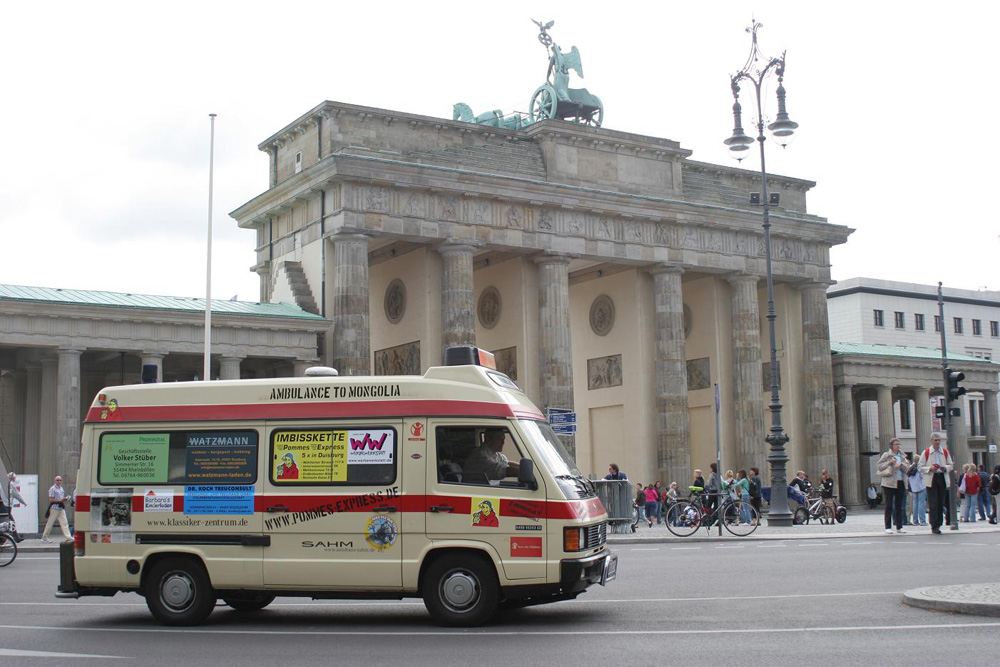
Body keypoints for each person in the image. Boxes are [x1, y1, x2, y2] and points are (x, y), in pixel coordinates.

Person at [918, 433, 953, 534]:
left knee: (940, 503)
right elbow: (920, 467)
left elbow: (950, 465)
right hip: (931, 478)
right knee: (933, 503)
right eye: (935, 440)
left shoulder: (945, 452)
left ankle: (939, 523)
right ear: (931, 441)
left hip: (942, 477)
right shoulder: (927, 452)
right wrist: (930, 468)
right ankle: (934, 525)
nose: (937, 442)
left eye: (939, 440)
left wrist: (945, 468)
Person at [877, 438, 907, 534]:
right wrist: (890, 462)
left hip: (900, 481)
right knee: (889, 505)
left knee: (899, 505)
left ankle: (899, 526)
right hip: (889, 483)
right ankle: (888, 526)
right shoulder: (887, 455)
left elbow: (907, 468)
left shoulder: (902, 455)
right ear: (891, 446)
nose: (898, 446)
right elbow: (879, 466)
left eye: (899, 444)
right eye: (896, 444)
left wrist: (901, 465)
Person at [41, 474, 73, 543]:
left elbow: (61, 498)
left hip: (61, 508)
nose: (59, 481)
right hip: (55, 508)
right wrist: (60, 500)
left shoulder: (61, 488)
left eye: (60, 480)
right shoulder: (52, 489)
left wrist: (65, 499)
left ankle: (68, 537)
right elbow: (51, 500)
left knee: (64, 523)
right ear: (55, 481)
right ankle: (44, 537)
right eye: (57, 480)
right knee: (50, 523)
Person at [907, 455, 928, 526]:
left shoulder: (910, 467)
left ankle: (915, 521)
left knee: (915, 504)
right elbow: (923, 476)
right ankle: (922, 521)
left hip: (913, 488)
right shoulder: (919, 468)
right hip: (921, 486)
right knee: (921, 504)